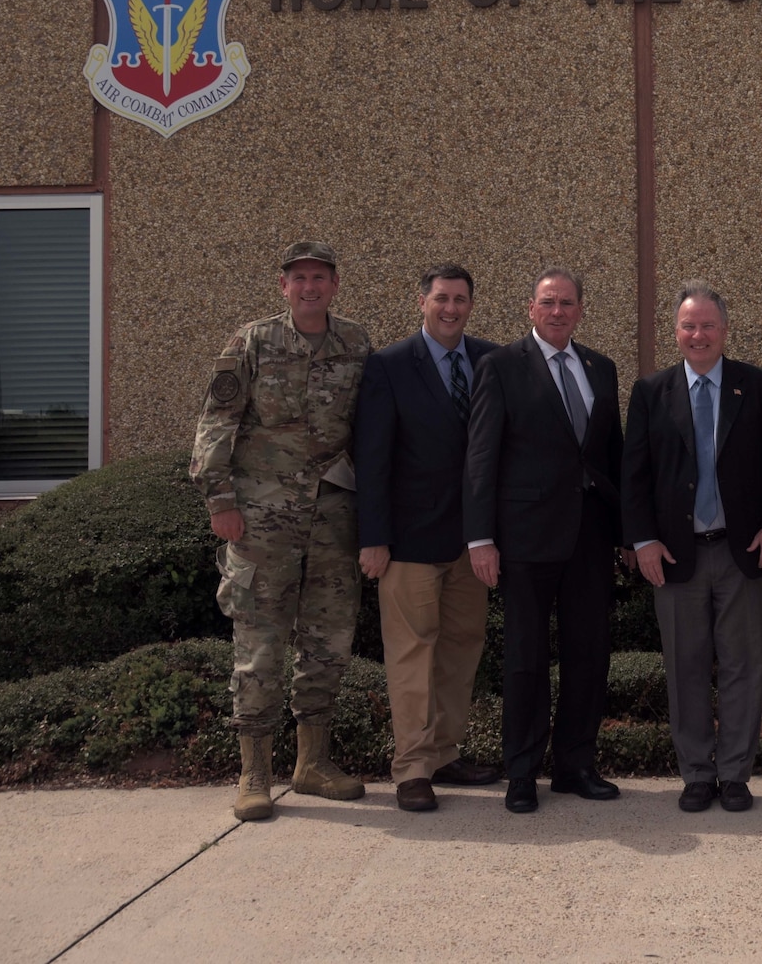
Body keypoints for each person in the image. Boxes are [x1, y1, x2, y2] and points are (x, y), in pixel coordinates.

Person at [192, 240, 373, 822]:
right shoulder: (253, 341)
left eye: (320, 277)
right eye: (299, 279)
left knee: (329, 639)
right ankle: (254, 773)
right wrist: (220, 500)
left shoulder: (355, 343)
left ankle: (312, 764)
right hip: (261, 517)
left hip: (332, 514)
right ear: (283, 286)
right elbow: (217, 422)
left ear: (335, 284)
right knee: (261, 645)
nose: (310, 287)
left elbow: (369, 428)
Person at [622, 282, 762, 813]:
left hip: (742, 551)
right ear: (676, 332)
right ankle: (697, 773)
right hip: (675, 554)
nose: (698, 335)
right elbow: (635, 476)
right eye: (689, 326)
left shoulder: (757, 385)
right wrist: (643, 540)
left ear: (724, 330)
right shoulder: (651, 392)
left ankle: (736, 774)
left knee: (743, 663)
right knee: (685, 665)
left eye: (708, 326)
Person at [462, 267, 625, 814]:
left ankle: (576, 764)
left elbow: (611, 458)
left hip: (590, 538)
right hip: (524, 540)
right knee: (526, 659)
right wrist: (480, 538)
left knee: (588, 654)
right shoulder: (501, 367)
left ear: (581, 310)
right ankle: (523, 771)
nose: (558, 312)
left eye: (568, 303)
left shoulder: (601, 369)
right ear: (531, 309)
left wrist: (627, 534)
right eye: (548, 303)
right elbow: (481, 457)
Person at [354, 263, 502, 814]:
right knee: (413, 655)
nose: (451, 308)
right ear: (422, 302)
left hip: (473, 543)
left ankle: (445, 752)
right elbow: (371, 459)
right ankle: (413, 768)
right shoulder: (389, 367)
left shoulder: (490, 360)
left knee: (462, 650)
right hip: (409, 542)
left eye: (461, 299)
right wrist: (374, 537)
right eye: (442, 298)